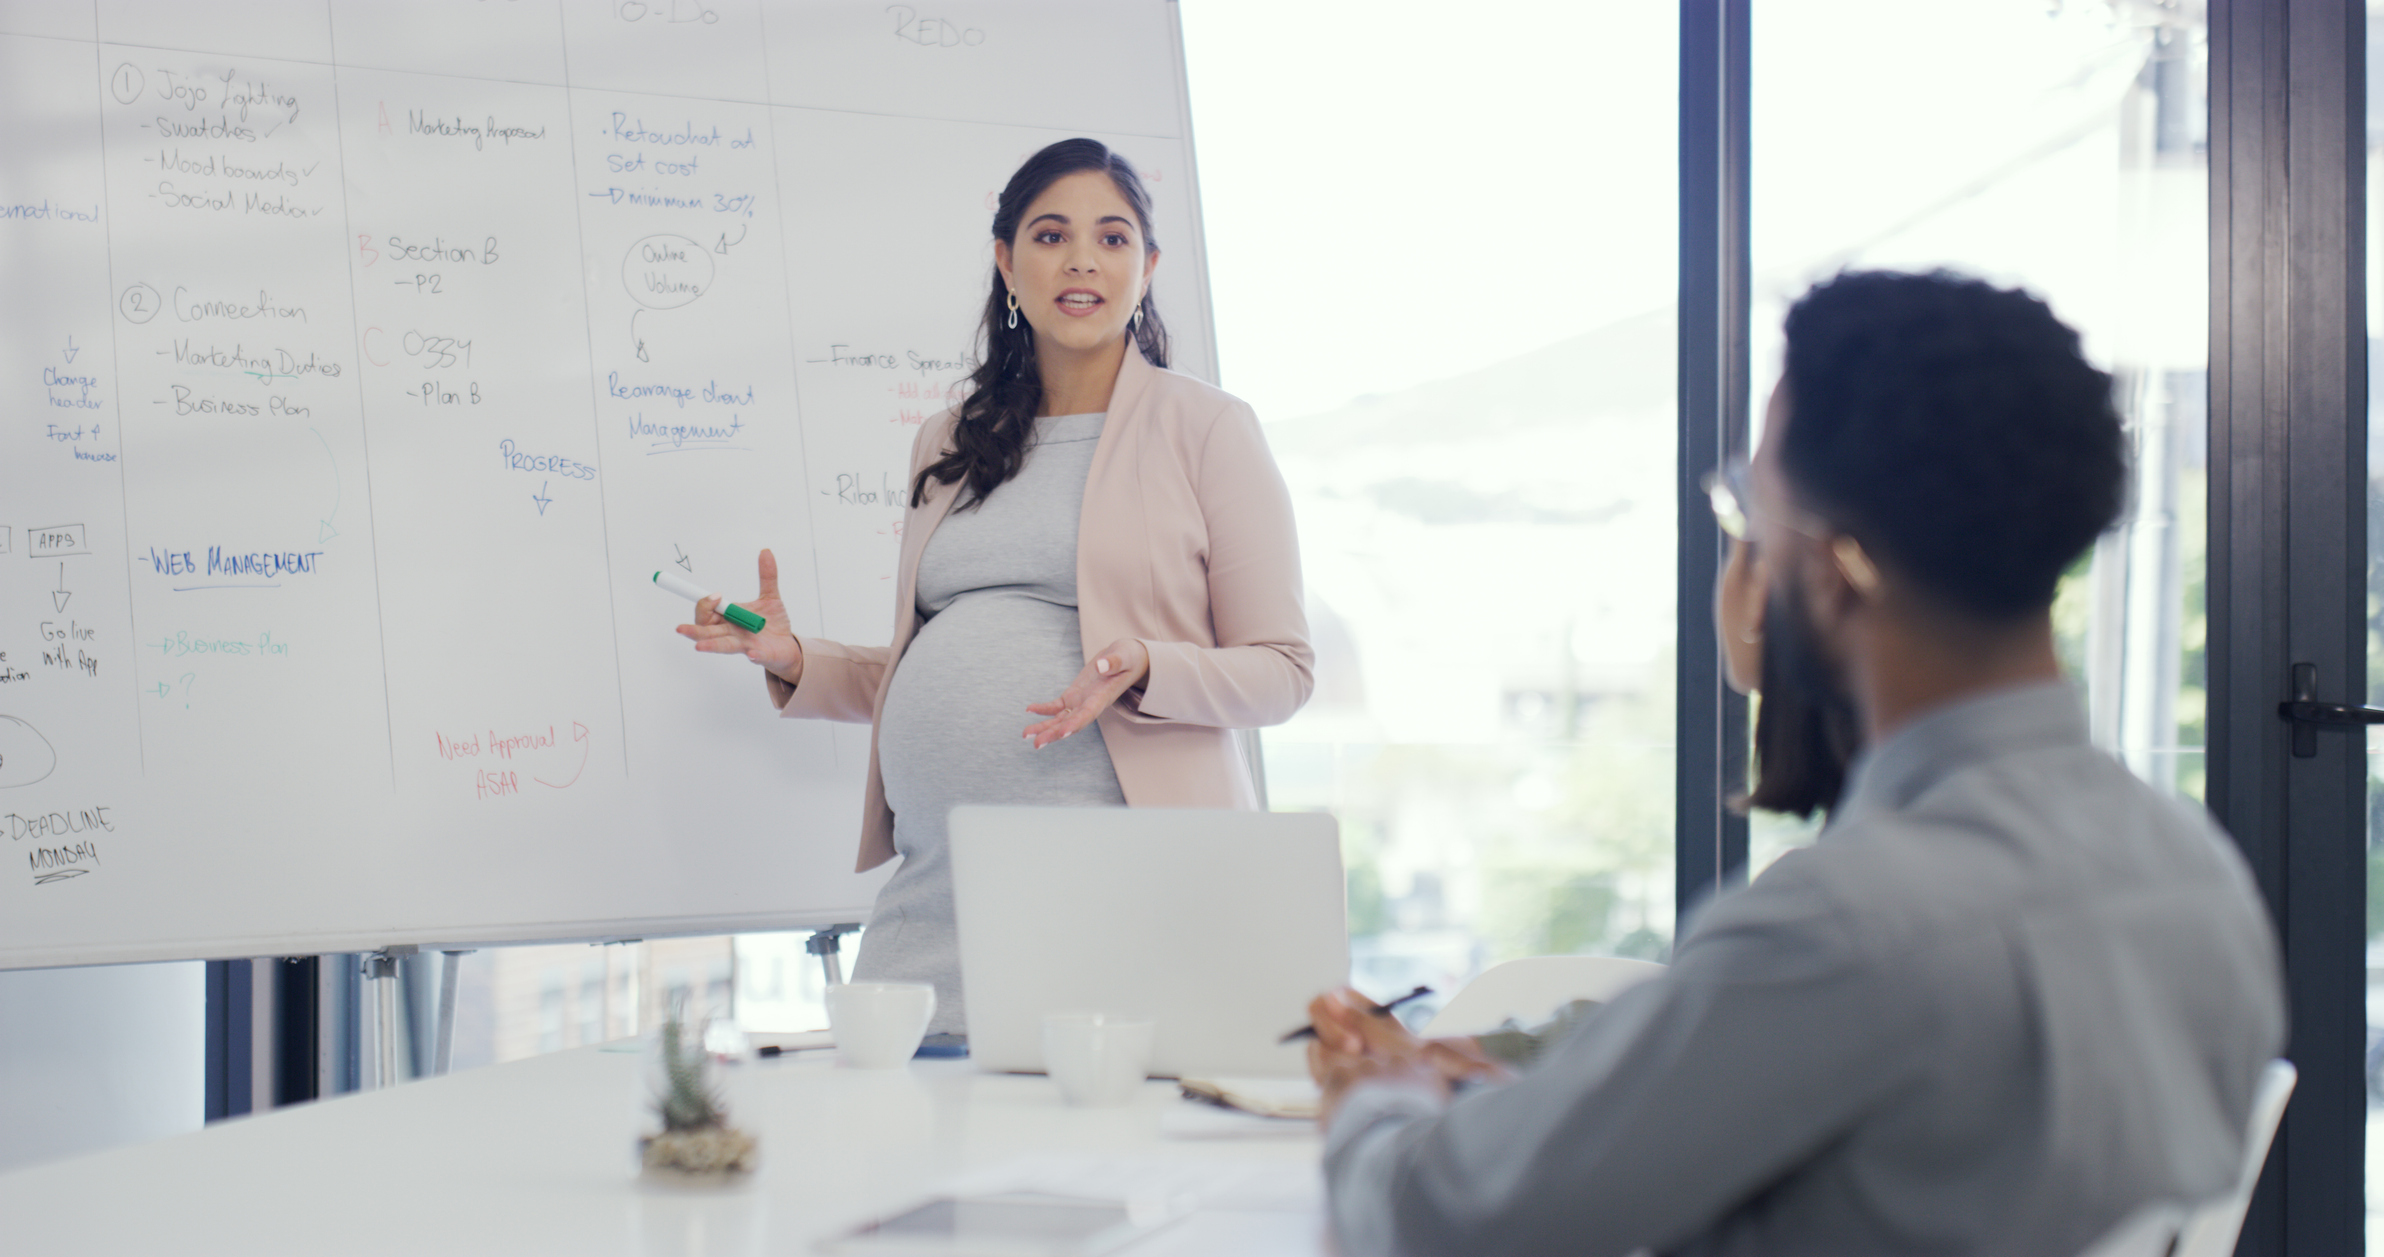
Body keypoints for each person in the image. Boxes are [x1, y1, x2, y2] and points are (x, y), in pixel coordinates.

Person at [1303, 270, 2285, 1256]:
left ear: (1828, 565)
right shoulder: (2192, 872)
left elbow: (1445, 1221)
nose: (1744, 554)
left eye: (1746, 509)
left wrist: (1378, 1106)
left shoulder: (1847, 925)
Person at [679, 139, 1313, 1036]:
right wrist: (794, 659)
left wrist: (1144, 665)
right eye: (1051, 235)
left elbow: (1283, 669)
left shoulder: (1208, 429)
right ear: (1007, 263)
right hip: (939, 894)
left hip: (1124, 893)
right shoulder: (948, 440)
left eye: (1114, 238)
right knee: (909, 1151)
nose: (1083, 259)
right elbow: (928, 659)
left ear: (1149, 268)